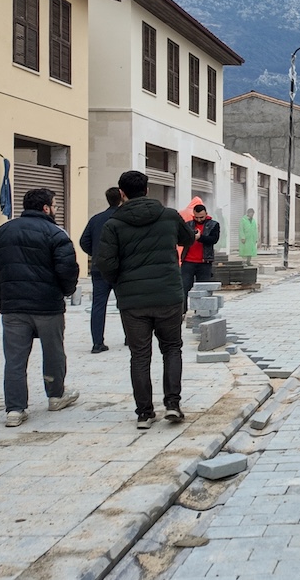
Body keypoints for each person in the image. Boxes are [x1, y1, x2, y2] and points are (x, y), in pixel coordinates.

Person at [93, 170, 196, 429]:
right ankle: (172, 404)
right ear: (148, 190)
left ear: (122, 194)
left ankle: (144, 413)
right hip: (169, 295)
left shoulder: (113, 224)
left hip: (133, 302)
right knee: (172, 348)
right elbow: (187, 238)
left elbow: (105, 263)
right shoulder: (169, 216)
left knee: (140, 355)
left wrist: (121, 284)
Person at [0, 188, 80, 427]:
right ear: (46, 208)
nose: (56, 209)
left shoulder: (3, 231)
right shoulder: (56, 233)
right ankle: (56, 395)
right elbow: (67, 269)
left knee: (15, 359)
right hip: (47, 306)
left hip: (13, 307)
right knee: (53, 352)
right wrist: (66, 291)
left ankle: (15, 410)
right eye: (55, 205)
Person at [78, 187, 122, 353]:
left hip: (99, 268)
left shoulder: (96, 219)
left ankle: (97, 343)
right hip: (120, 268)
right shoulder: (124, 218)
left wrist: (96, 254)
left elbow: (84, 241)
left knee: (98, 305)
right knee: (125, 304)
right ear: (122, 198)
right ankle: (129, 338)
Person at [180, 204, 220, 300]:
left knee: (203, 290)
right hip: (188, 262)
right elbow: (181, 240)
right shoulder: (188, 225)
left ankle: (201, 312)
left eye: (201, 217)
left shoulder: (213, 225)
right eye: (196, 217)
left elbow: (213, 240)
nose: (199, 220)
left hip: (204, 262)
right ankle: (182, 312)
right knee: (184, 289)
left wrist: (200, 238)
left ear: (206, 214)